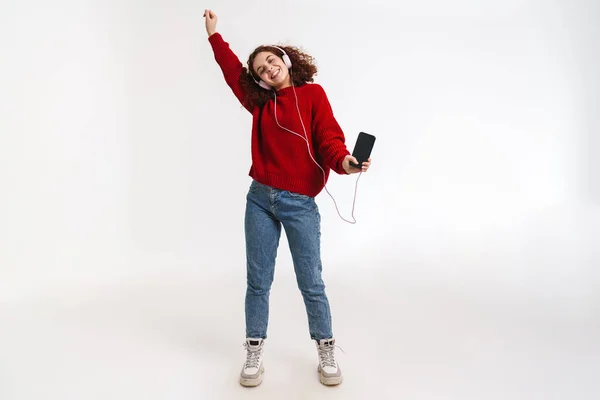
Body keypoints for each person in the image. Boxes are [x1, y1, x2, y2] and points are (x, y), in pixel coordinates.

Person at [203, 10, 371, 387]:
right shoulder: (260, 104)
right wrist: (215, 36)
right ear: (259, 80)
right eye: (260, 69)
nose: (267, 69)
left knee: (311, 281)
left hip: (299, 205)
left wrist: (345, 162)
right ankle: (253, 351)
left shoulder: (313, 95)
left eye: (271, 61)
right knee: (258, 281)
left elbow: (329, 139)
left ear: (285, 60)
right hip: (260, 198)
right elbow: (233, 72)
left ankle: (326, 350)